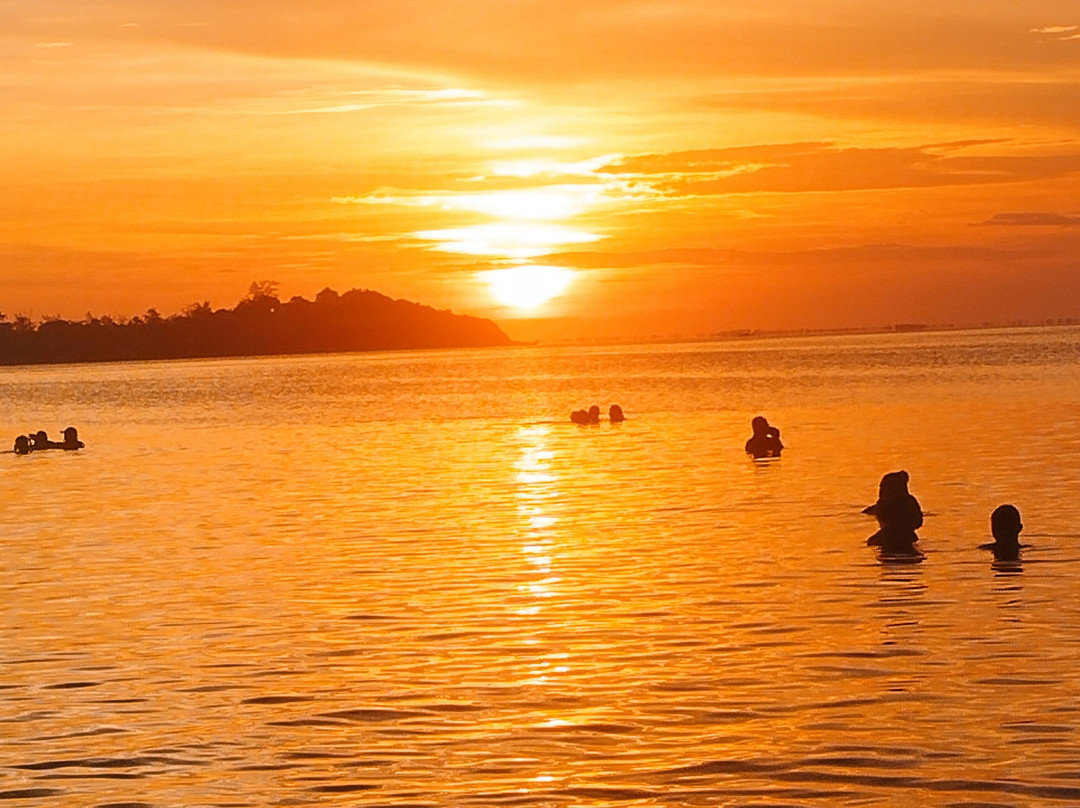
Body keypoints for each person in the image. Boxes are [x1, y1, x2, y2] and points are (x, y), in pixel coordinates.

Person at [864, 470, 923, 553]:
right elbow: (918, 521)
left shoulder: (882, 504)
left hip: (887, 538)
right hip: (907, 538)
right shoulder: (909, 502)